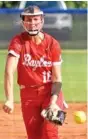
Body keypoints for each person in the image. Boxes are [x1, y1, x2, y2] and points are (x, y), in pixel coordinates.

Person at [3, 5, 68, 139]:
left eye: (35, 19)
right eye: (28, 20)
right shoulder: (18, 41)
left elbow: (57, 79)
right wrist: (9, 99)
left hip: (50, 93)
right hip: (28, 95)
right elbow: (9, 71)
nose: (32, 23)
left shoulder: (52, 44)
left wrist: (54, 102)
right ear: (23, 21)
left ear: (42, 20)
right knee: (34, 136)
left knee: (50, 134)